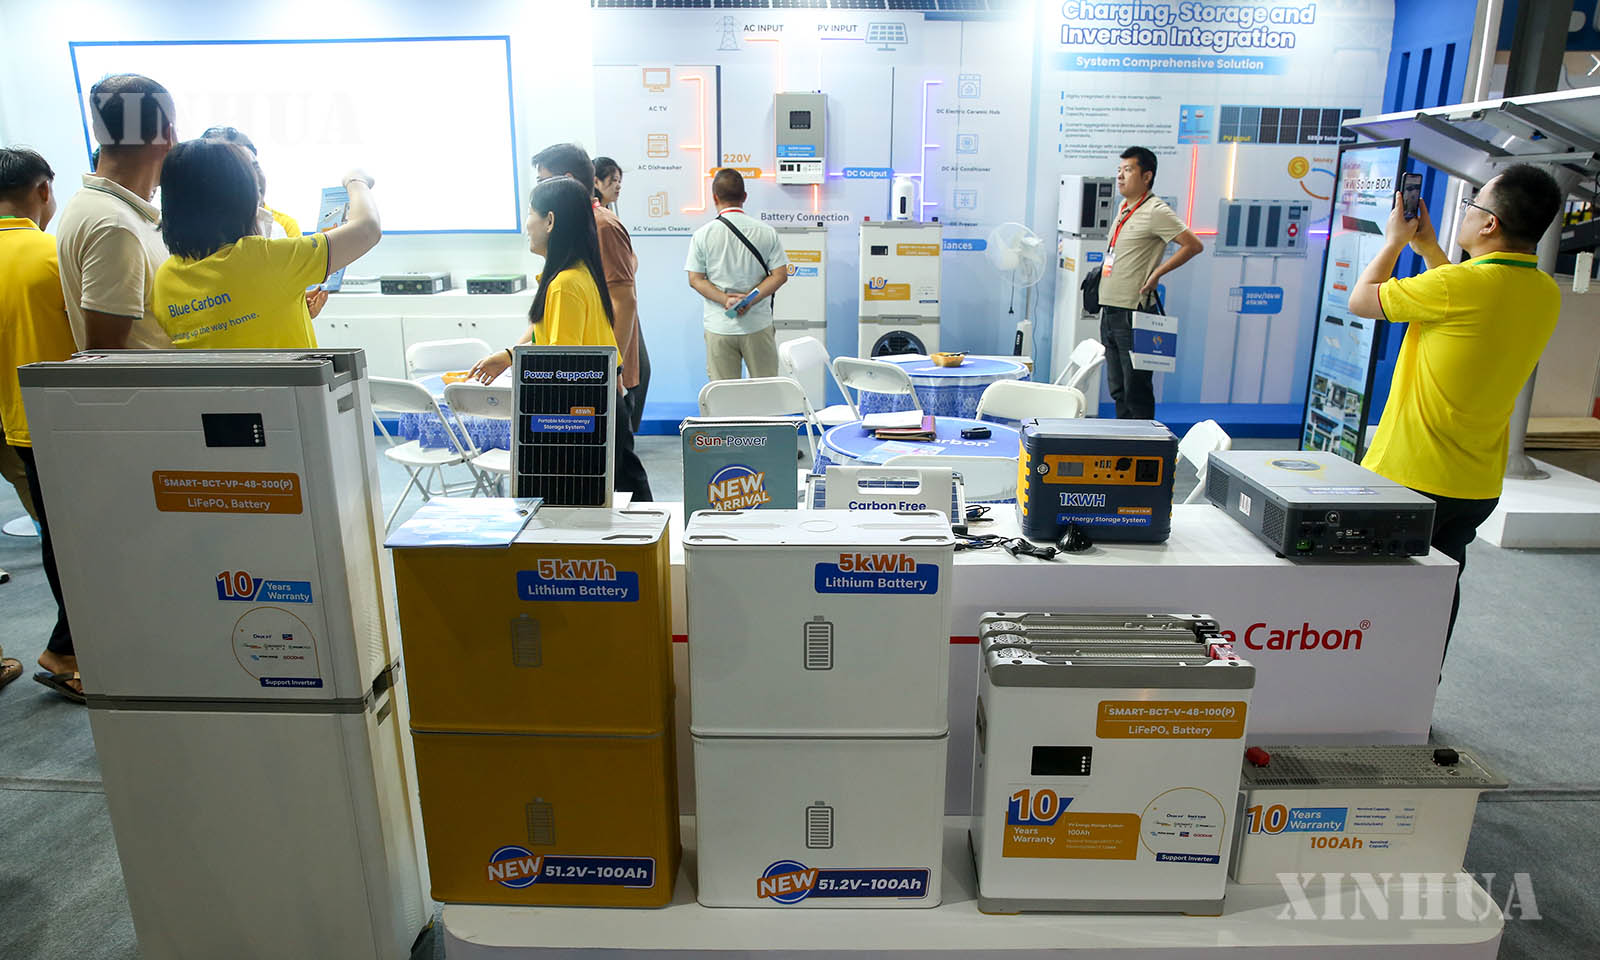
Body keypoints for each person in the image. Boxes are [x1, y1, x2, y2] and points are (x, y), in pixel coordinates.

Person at [1347, 164, 1563, 662]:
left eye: (1472, 205)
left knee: (1373, 596)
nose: (1464, 213)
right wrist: (1428, 249)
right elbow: (1459, 303)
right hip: (1475, 484)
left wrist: (1395, 242)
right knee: (1440, 588)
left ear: (1489, 224)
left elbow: (1362, 300)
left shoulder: (1456, 287)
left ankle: (1367, 688)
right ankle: (1422, 687)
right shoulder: (1544, 291)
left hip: (1411, 476)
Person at [468, 176, 653, 501]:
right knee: (624, 492)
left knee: (598, 500)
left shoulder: (564, 285)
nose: (527, 225)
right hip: (602, 407)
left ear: (550, 220)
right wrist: (510, 356)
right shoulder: (580, 274)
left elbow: (560, 368)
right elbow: (562, 344)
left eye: (530, 213)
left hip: (583, 416)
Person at [150, 138, 380, 350]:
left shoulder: (165, 280)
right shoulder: (266, 259)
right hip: (292, 384)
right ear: (244, 200)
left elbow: (227, 330)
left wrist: (285, 305)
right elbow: (367, 228)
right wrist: (356, 180)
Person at [0, 147, 83, 701]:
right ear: (43, 189)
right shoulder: (53, 256)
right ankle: (67, 652)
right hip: (45, 423)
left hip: (12, 419)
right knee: (70, 541)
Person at [54, 73, 176, 351]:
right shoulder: (115, 226)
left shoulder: (97, 206)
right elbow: (106, 357)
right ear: (168, 135)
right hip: (151, 382)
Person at [1097, 146, 1203, 419]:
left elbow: (1193, 245)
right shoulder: (1123, 208)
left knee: (1137, 391)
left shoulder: (1156, 210)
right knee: (1118, 390)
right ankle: (1124, 440)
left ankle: (1143, 443)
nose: (1120, 176)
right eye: (1119, 170)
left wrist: (1157, 273)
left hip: (1133, 313)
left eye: (1128, 170)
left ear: (1147, 176)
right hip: (1110, 310)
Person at [200, 126, 331, 320]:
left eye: (255, 166)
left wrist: (300, 306)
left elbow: (281, 295)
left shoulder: (281, 228)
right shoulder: (197, 237)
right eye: (240, 169)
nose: (253, 178)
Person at [686, 168, 789, 382]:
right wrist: (749, 299)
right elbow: (780, 275)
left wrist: (726, 300)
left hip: (719, 326)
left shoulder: (702, 235)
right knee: (765, 390)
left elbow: (695, 279)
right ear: (744, 196)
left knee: (724, 395)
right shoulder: (766, 232)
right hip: (757, 325)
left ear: (715, 197)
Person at [593, 155, 650, 433]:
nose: (617, 186)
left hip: (621, 308)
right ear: (596, 181)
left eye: (619, 181)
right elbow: (626, 265)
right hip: (612, 311)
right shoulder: (603, 222)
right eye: (612, 180)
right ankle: (624, 434)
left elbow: (630, 260)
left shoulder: (608, 219)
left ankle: (626, 434)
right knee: (628, 373)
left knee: (637, 372)